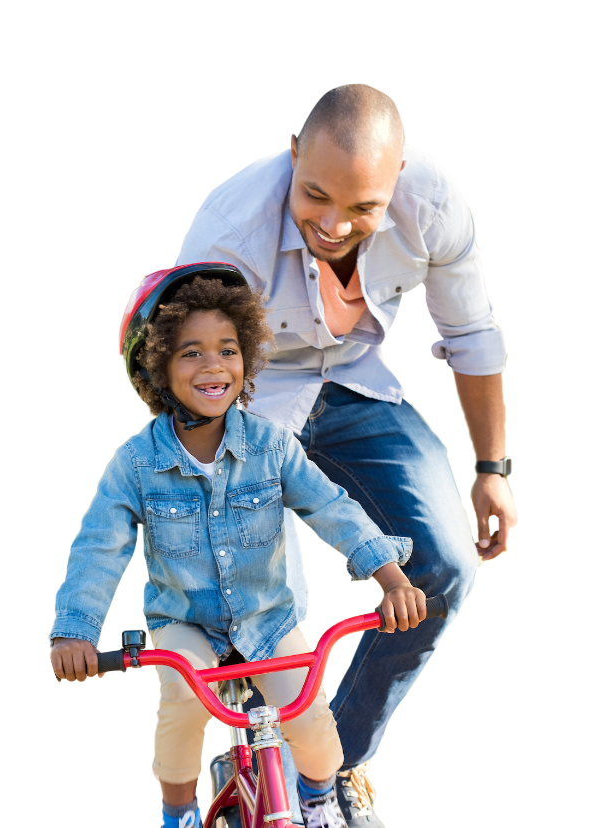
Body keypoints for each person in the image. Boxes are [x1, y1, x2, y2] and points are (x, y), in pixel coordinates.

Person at [173, 84, 520, 827]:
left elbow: (472, 338)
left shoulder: (433, 204)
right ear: (292, 152)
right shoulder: (230, 230)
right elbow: (190, 381)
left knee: (449, 566)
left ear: (397, 179)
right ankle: (253, 746)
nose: (334, 225)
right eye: (315, 196)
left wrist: (491, 470)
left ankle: (334, 768)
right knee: (256, 591)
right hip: (246, 397)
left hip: (359, 384)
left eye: (361, 208)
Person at [48, 265, 430, 828]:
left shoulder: (271, 446)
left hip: (267, 617)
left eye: (228, 349)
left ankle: (320, 797)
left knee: (314, 720)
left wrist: (391, 577)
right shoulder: (136, 463)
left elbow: (331, 508)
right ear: (155, 371)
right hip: (185, 624)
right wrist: (75, 632)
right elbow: (98, 550)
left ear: (247, 355)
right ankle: (176, 811)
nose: (214, 367)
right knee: (180, 701)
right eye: (190, 353)